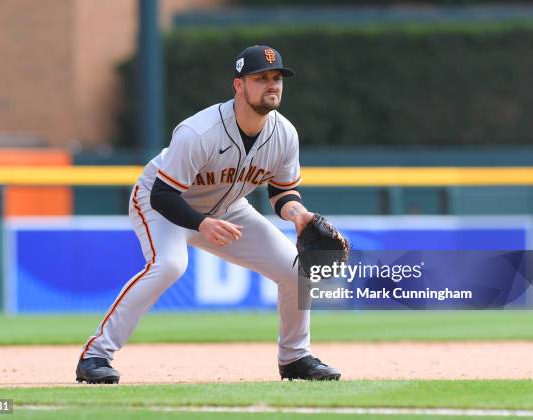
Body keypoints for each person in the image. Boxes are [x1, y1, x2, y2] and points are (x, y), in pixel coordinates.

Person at [76, 45, 341, 383]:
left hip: (227, 210)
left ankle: (295, 359)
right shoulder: (199, 132)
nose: (272, 84)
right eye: (261, 78)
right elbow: (162, 194)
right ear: (239, 85)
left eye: (277, 78)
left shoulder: (284, 133)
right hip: (162, 205)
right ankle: (95, 356)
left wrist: (298, 215)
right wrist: (201, 223)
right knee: (169, 265)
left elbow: (281, 191)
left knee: (296, 271)